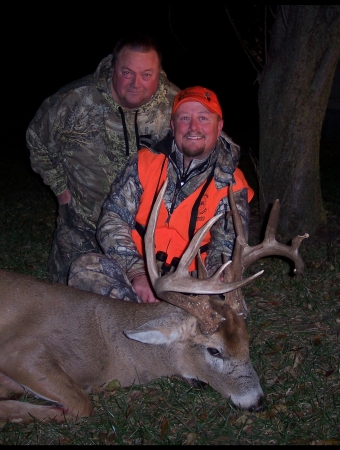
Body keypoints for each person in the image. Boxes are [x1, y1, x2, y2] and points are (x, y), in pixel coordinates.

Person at [68, 86, 254, 303]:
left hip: (191, 283)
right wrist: (137, 273)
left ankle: (142, 322)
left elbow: (226, 247)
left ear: (219, 126)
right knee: (85, 270)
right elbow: (112, 219)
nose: (193, 127)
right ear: (173, 125)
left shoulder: (232, 184)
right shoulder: (145, 163)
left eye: (203, 118)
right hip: (137, 274)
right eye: (185, 118)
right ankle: (135, 319)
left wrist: (216, 278)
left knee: (227, 303)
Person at [26, 33, 180, 284]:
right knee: (70, 305)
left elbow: (208, 151)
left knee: (152, 309)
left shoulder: (178, 106)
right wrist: (61, 190)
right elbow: (37, 139)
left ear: (159, 72)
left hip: (149, 234)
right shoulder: (75, 100)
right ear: (113, 67)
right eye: (127, 72)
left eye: (146, 74)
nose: (136, 83)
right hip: (84, 227)